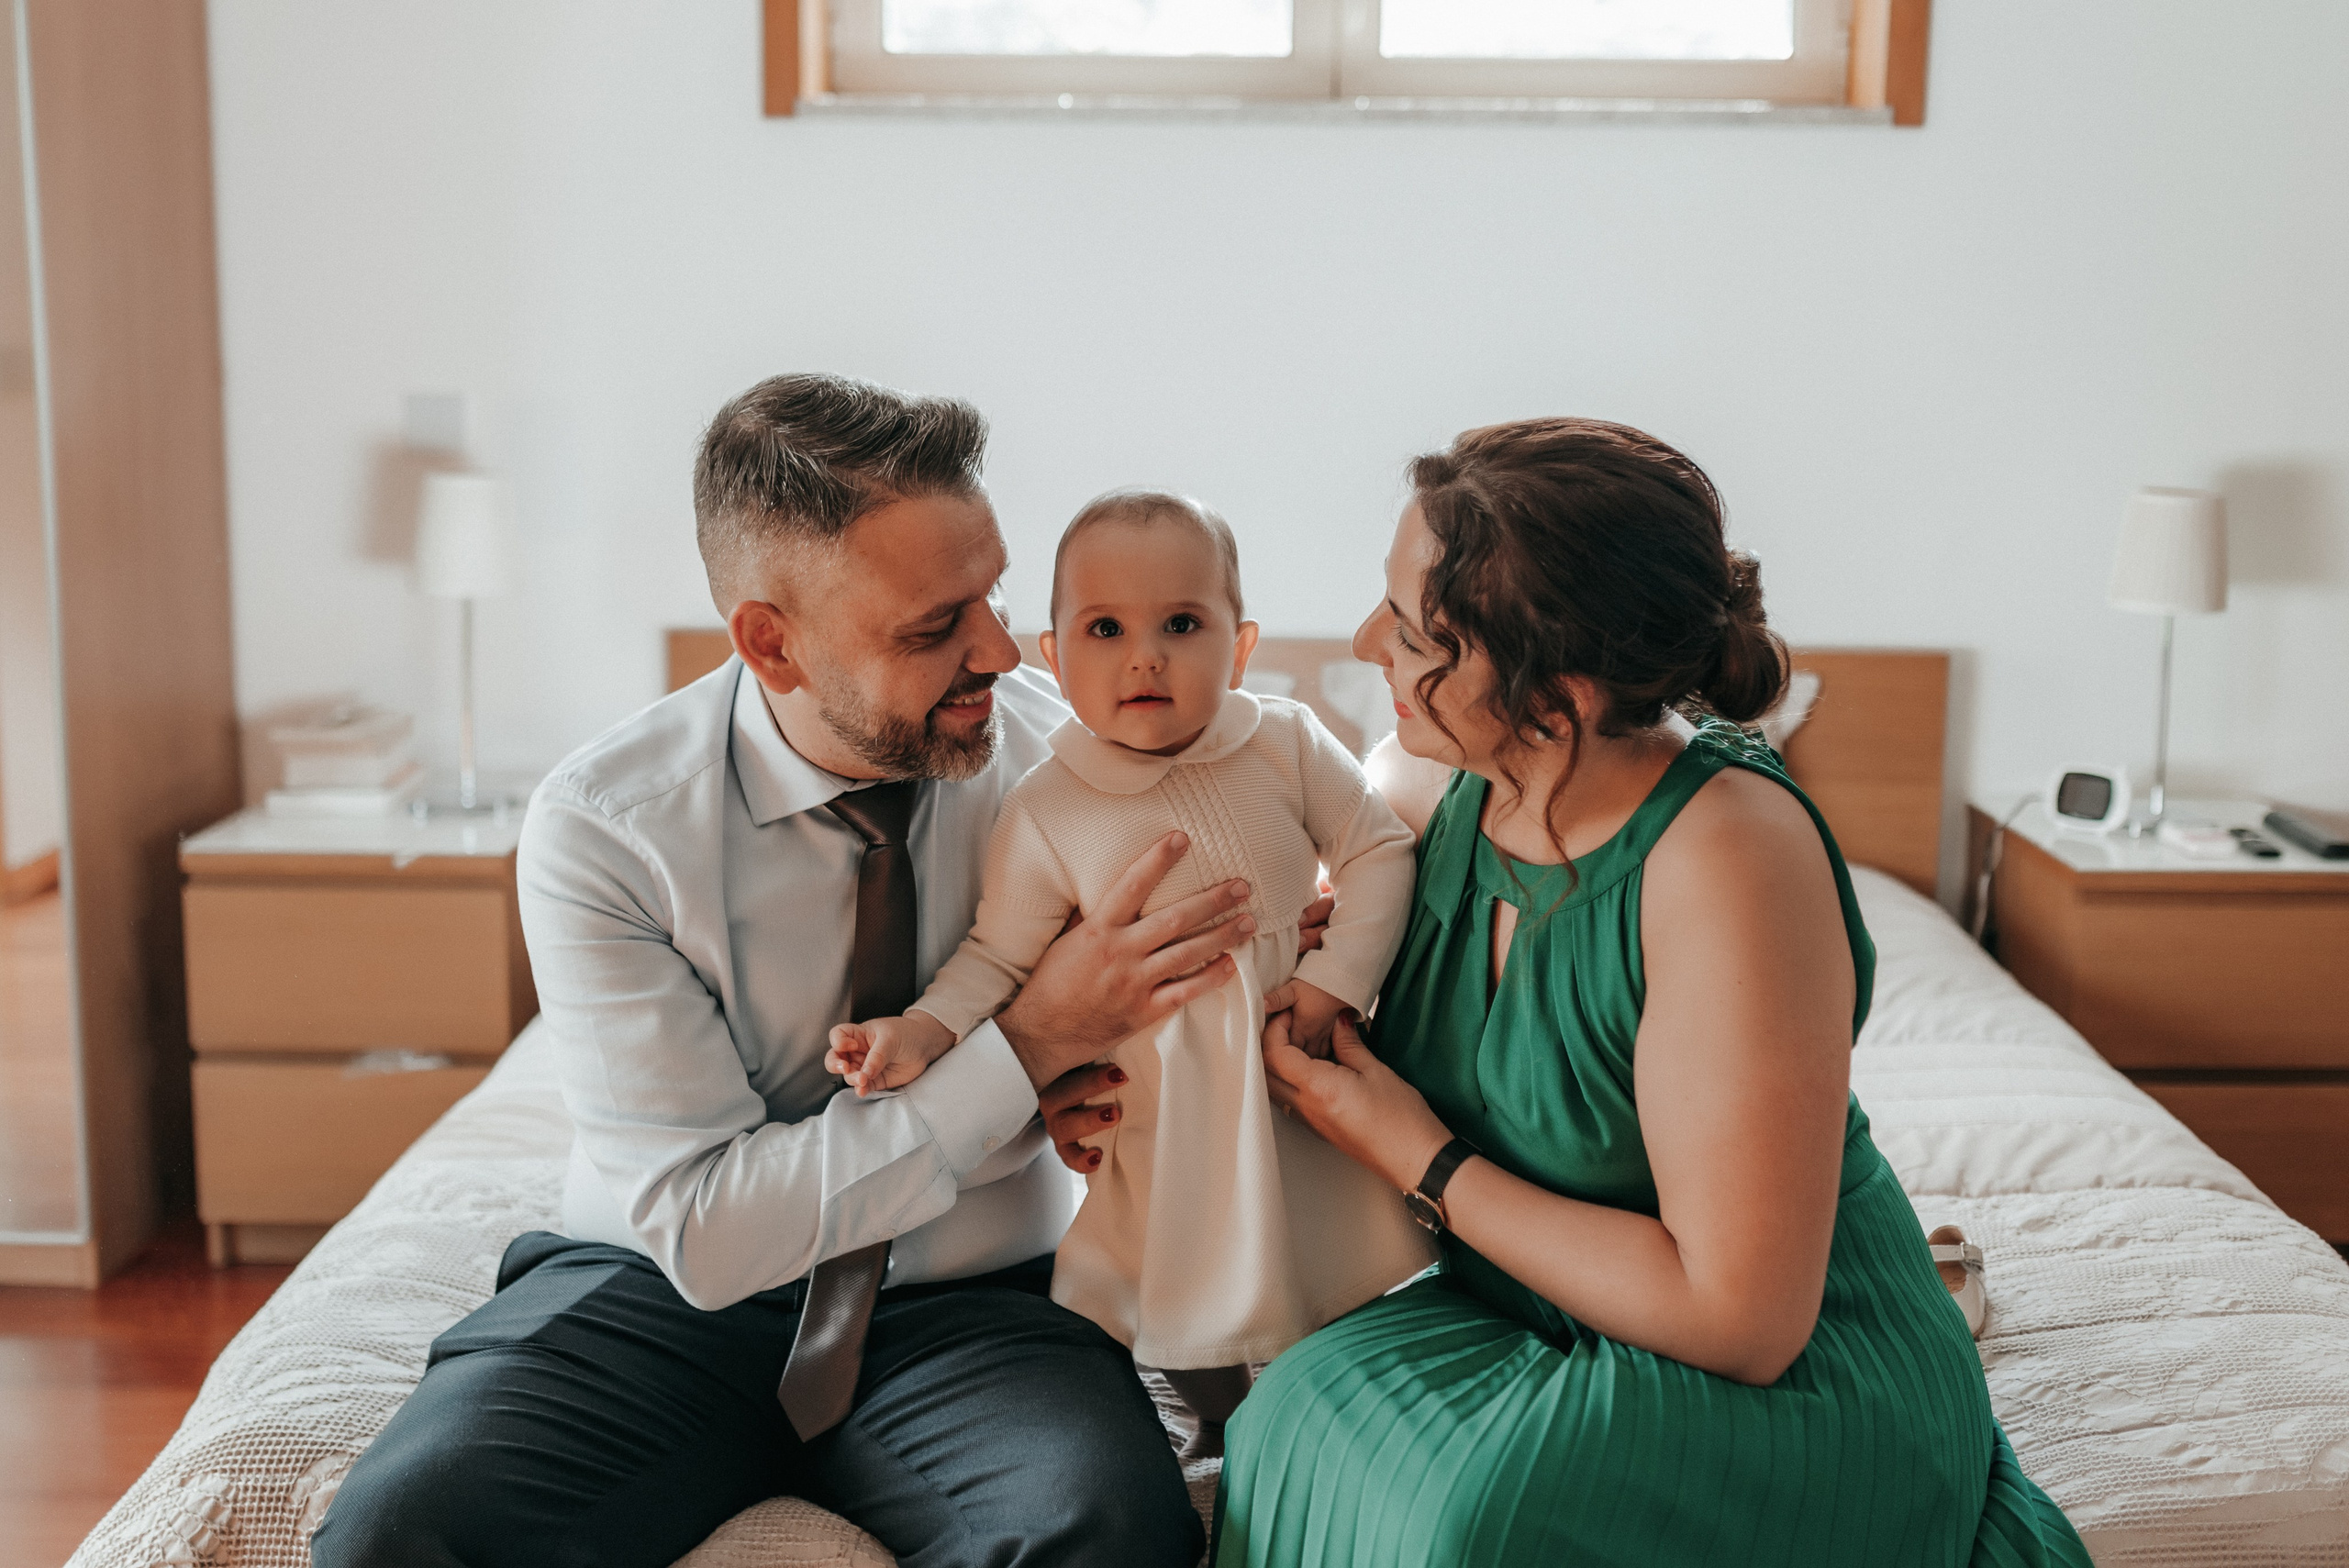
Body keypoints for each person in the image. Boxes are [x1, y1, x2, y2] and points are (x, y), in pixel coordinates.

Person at [313, 374, 1327, 1568]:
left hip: (975, 1298)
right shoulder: (610, 828)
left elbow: (1241, 938)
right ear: (770, 641)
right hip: (657, 1301)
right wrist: (1028, 1048)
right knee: (397, 1535)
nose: (1002, 651)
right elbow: (705, 1225)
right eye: (933, 625)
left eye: (993, 593)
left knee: (1110, 1529)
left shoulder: (1082, 768)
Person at [1213, 417, 2092, 1565]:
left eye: (1420, 629)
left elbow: (1741, 1320)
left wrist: (1418, 1153)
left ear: (1559, 691)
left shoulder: (1726, 854)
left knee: (1493, 1522)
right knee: (1281, 1421)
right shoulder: (1423, 791)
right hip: (1528, 1303)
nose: (1371, 641)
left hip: (1777, 1363)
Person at [828, 490, 1431, 1458]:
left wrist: (1335, 978)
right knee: (1173, 1269)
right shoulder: (1045, 807)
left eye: (1181, 624)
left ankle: (1319, 1406)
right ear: (1056, 656)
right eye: (1104, 628)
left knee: (1325, 1245)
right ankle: (1218, 1409)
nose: (1143, 655)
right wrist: (921, 1032)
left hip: (1292, 1059)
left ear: (1239, 645)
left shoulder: (1283, 741)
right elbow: (996, 957)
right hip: (1163, 1098)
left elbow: (1376, 851)